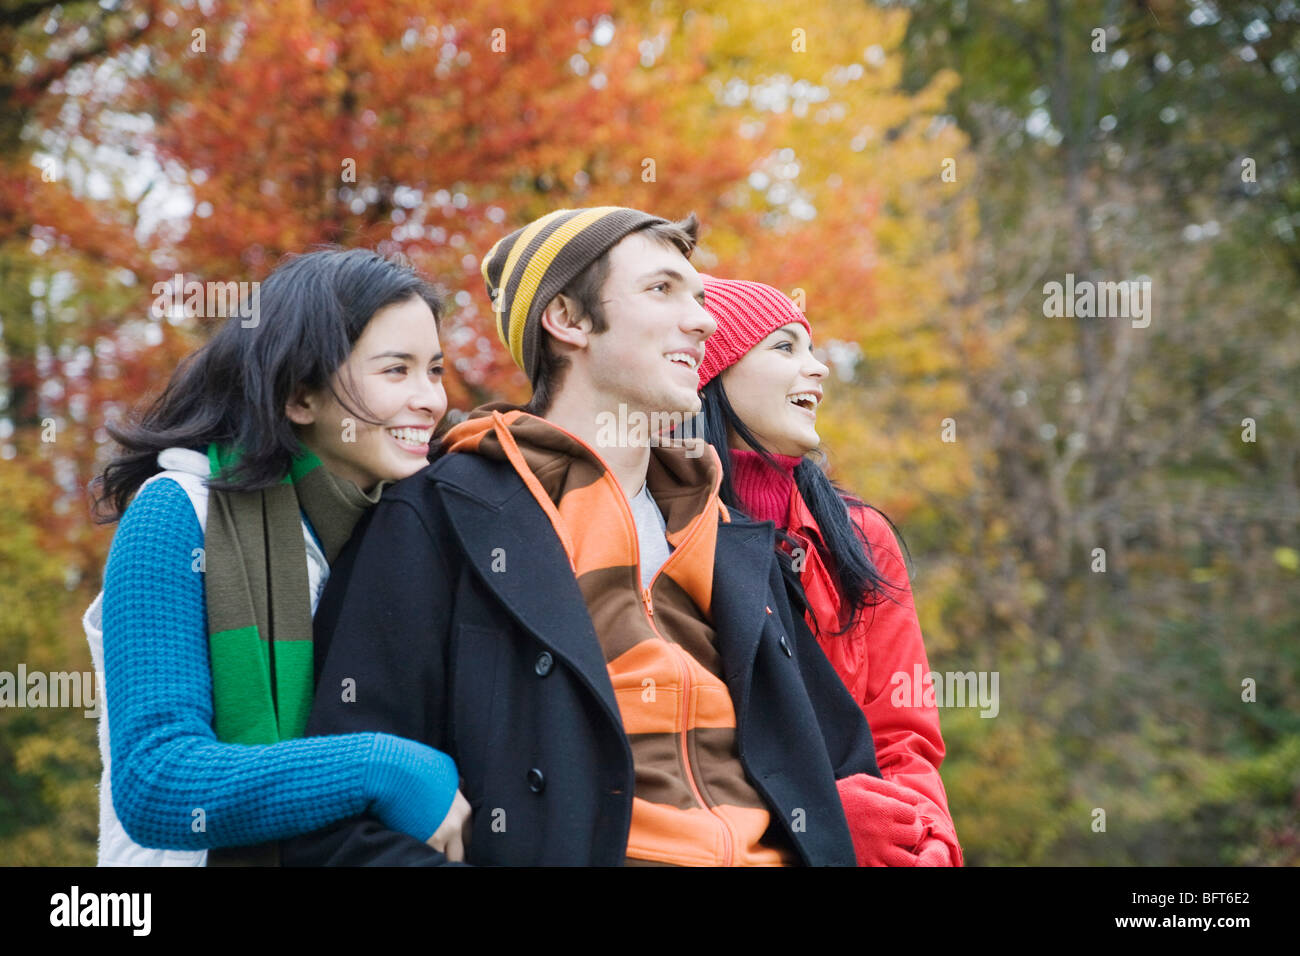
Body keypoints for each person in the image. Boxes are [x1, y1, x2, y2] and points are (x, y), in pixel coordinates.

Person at [284, 206, 883, 866]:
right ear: (567, 319)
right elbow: (345, 823)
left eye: (701, 297)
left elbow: (844, 767)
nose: (705, 320)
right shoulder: (440, 518)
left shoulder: (729, 533)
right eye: (662, 290)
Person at [86, 248, 470, 866]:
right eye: (396, 371)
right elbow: (155, 780)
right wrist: (383, 767)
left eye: (435, 369)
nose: (430, 399)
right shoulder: (177, 513)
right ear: (299, 398)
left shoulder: (403, 524)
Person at [691, 274, 963, 866]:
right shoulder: (664, 531)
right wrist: (814, 814)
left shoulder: (860, 538)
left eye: (811, 350)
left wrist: (930, 842)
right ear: (712, 371)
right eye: (784, 348)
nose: (817, 369)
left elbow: (903, 735)